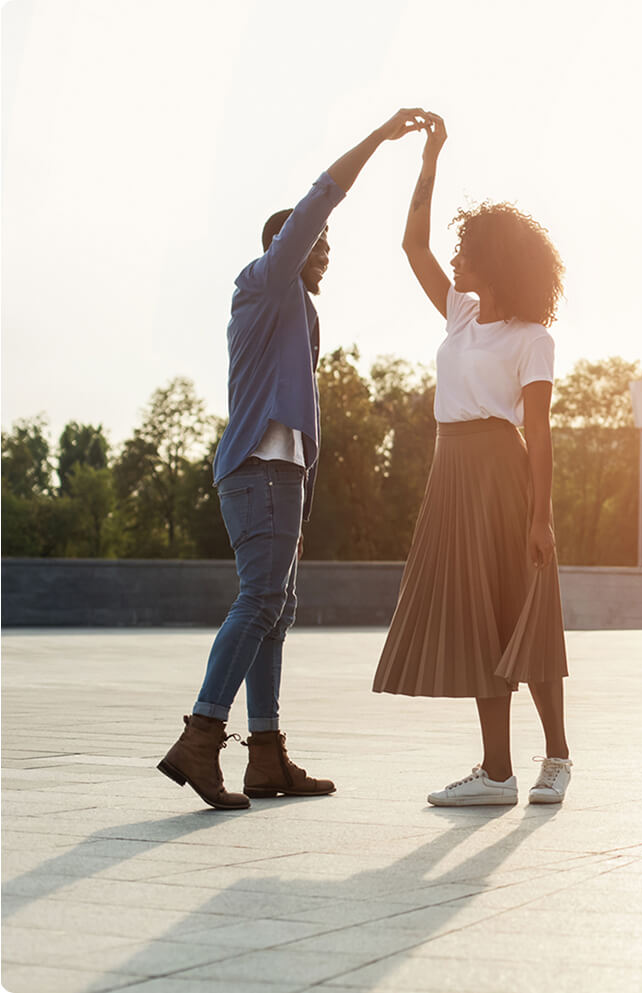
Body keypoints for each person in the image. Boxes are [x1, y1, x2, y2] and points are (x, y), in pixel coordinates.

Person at [159, 109, 427, 810]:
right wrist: (379, 138)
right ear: (288, 241)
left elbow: (301, 420)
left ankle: (267, 754)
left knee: (277, 609)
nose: (327, 249)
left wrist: (303, 499)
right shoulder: (266, 281)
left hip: (280, 478)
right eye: (319, 240)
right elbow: (319, 197)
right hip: (258, 471)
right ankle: (200, 736)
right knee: (260, 601)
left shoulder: (296, 311)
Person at [373, 112, 573, 807]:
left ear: (497, 260)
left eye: (469, 251)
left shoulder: (531, 338)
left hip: (501, 471)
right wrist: (431, 157)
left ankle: (556, 756)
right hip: (450, 469)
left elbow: (541, 432)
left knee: (523, 611)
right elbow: (411, 242)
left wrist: (541, 516)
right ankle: (496, 772)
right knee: (476, 617)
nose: (456, 258)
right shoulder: (461, 315)